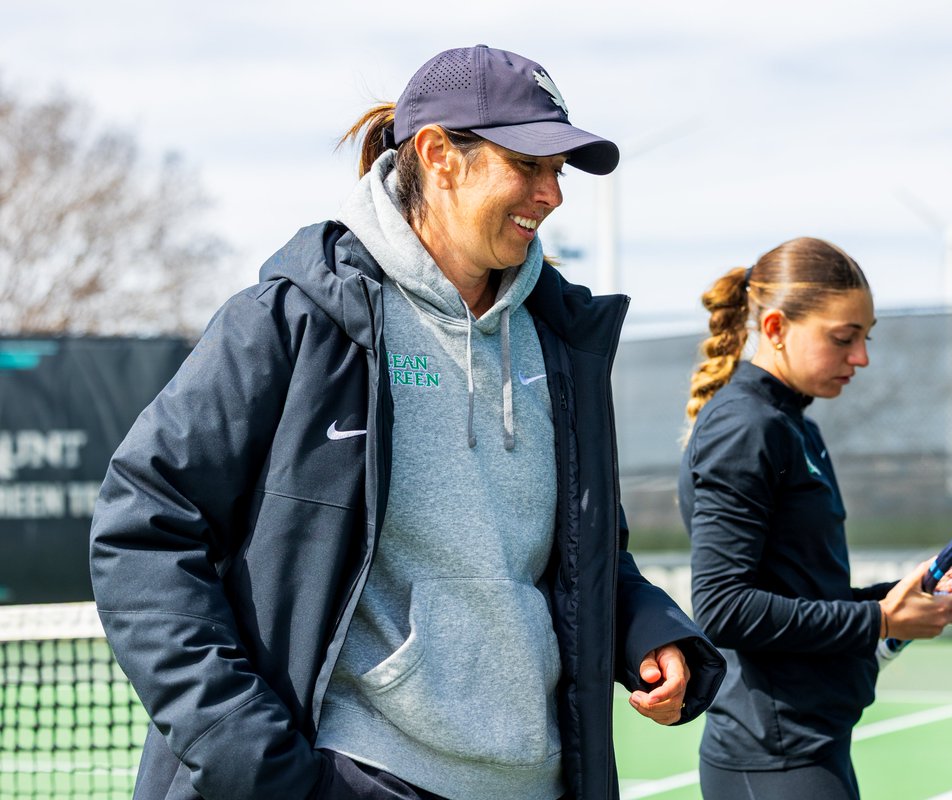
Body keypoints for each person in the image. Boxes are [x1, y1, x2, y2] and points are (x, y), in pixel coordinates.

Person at [90, 44, 725, 800]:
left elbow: (583, 549)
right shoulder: (293, 321)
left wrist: (647, 628)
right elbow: (141, 527)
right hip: (355, 775)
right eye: (529, 165)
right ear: (438, 155)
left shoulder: (561, 343)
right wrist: (250, 757)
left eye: (559, 172)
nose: (552, 194)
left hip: (541, 781)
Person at [677, 237, 952, 800]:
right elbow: (723, 609)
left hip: (809, 744)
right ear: (774, 328)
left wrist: (910, 592)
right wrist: (881, 621)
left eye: (866, 338)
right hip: (772, 758)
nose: (861, 357)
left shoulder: (794, 426)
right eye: (844, 338)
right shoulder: (747, 427)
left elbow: (801, 588)